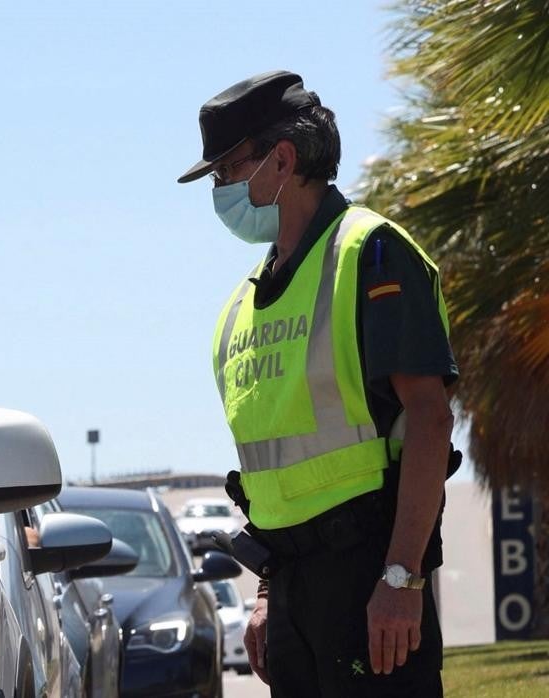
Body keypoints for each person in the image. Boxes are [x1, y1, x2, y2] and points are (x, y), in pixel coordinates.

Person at [178, 71, 457, 697]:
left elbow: (430, 419)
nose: (219, 191)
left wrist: (403, 579)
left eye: (226, 172)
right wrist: (268, 594)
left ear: (282, 159)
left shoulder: (372, 254)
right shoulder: (241, 309)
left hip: (372, 578)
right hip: (293, 594)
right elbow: (274, 480)